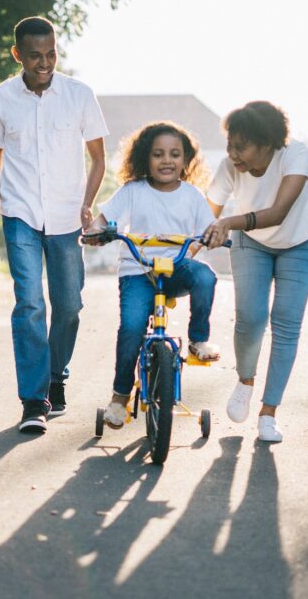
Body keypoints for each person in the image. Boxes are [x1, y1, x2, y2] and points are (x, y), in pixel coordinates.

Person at [0, 16, 108, 434]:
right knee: (30, 303)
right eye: (35, 56)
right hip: (20, 215)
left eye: (51, 54)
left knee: (69, 306)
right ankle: (34, 400)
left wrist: (88, 204)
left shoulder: (79, 95)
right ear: (18, 55)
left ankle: (56, 377)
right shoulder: (1, 97)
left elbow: (98, 158)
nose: (45, 63)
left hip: (68, 216)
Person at [86, 121, 220, 429]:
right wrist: (96, 231)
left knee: (206, 277)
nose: (167, 160)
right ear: (146, 158)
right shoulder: (133, 191)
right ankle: (120, 397)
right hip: (138, 271)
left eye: (175, 154)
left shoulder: (192, 195)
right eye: (158, 154)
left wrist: (211, 237)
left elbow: (207, 230)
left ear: (186, 160)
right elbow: (104, 219)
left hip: (175, 269)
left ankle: (198, 340)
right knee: (132, 327)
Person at [203, 101, 308, 443]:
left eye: (241, 146)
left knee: (286, 321)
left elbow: (279, 212)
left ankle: (269, 413)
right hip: (251, 243)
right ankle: (245, 381)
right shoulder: (230, 167)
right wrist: (188, 247)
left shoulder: (294, 155)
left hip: (300, 241)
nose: (232, 153)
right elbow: (205, 215)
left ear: (267, 143)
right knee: (251, 317)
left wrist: (227, 222)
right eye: (230, 144)